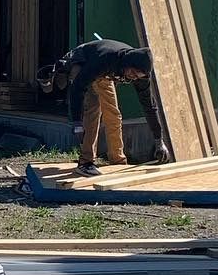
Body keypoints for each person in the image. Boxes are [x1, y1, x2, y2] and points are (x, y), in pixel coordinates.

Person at [42, 37, 172, 176]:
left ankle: (117, 160)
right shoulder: (105, 59)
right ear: (127, 64)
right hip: (84, 63)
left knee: (114, 114)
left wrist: (159, 141)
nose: (133, 78)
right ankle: (85, 162)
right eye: (133, 73)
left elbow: (150, 107)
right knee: (93, 110)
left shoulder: (141, 76)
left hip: (106, 73)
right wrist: (77, 122)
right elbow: (77, 89)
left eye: (137, 76)